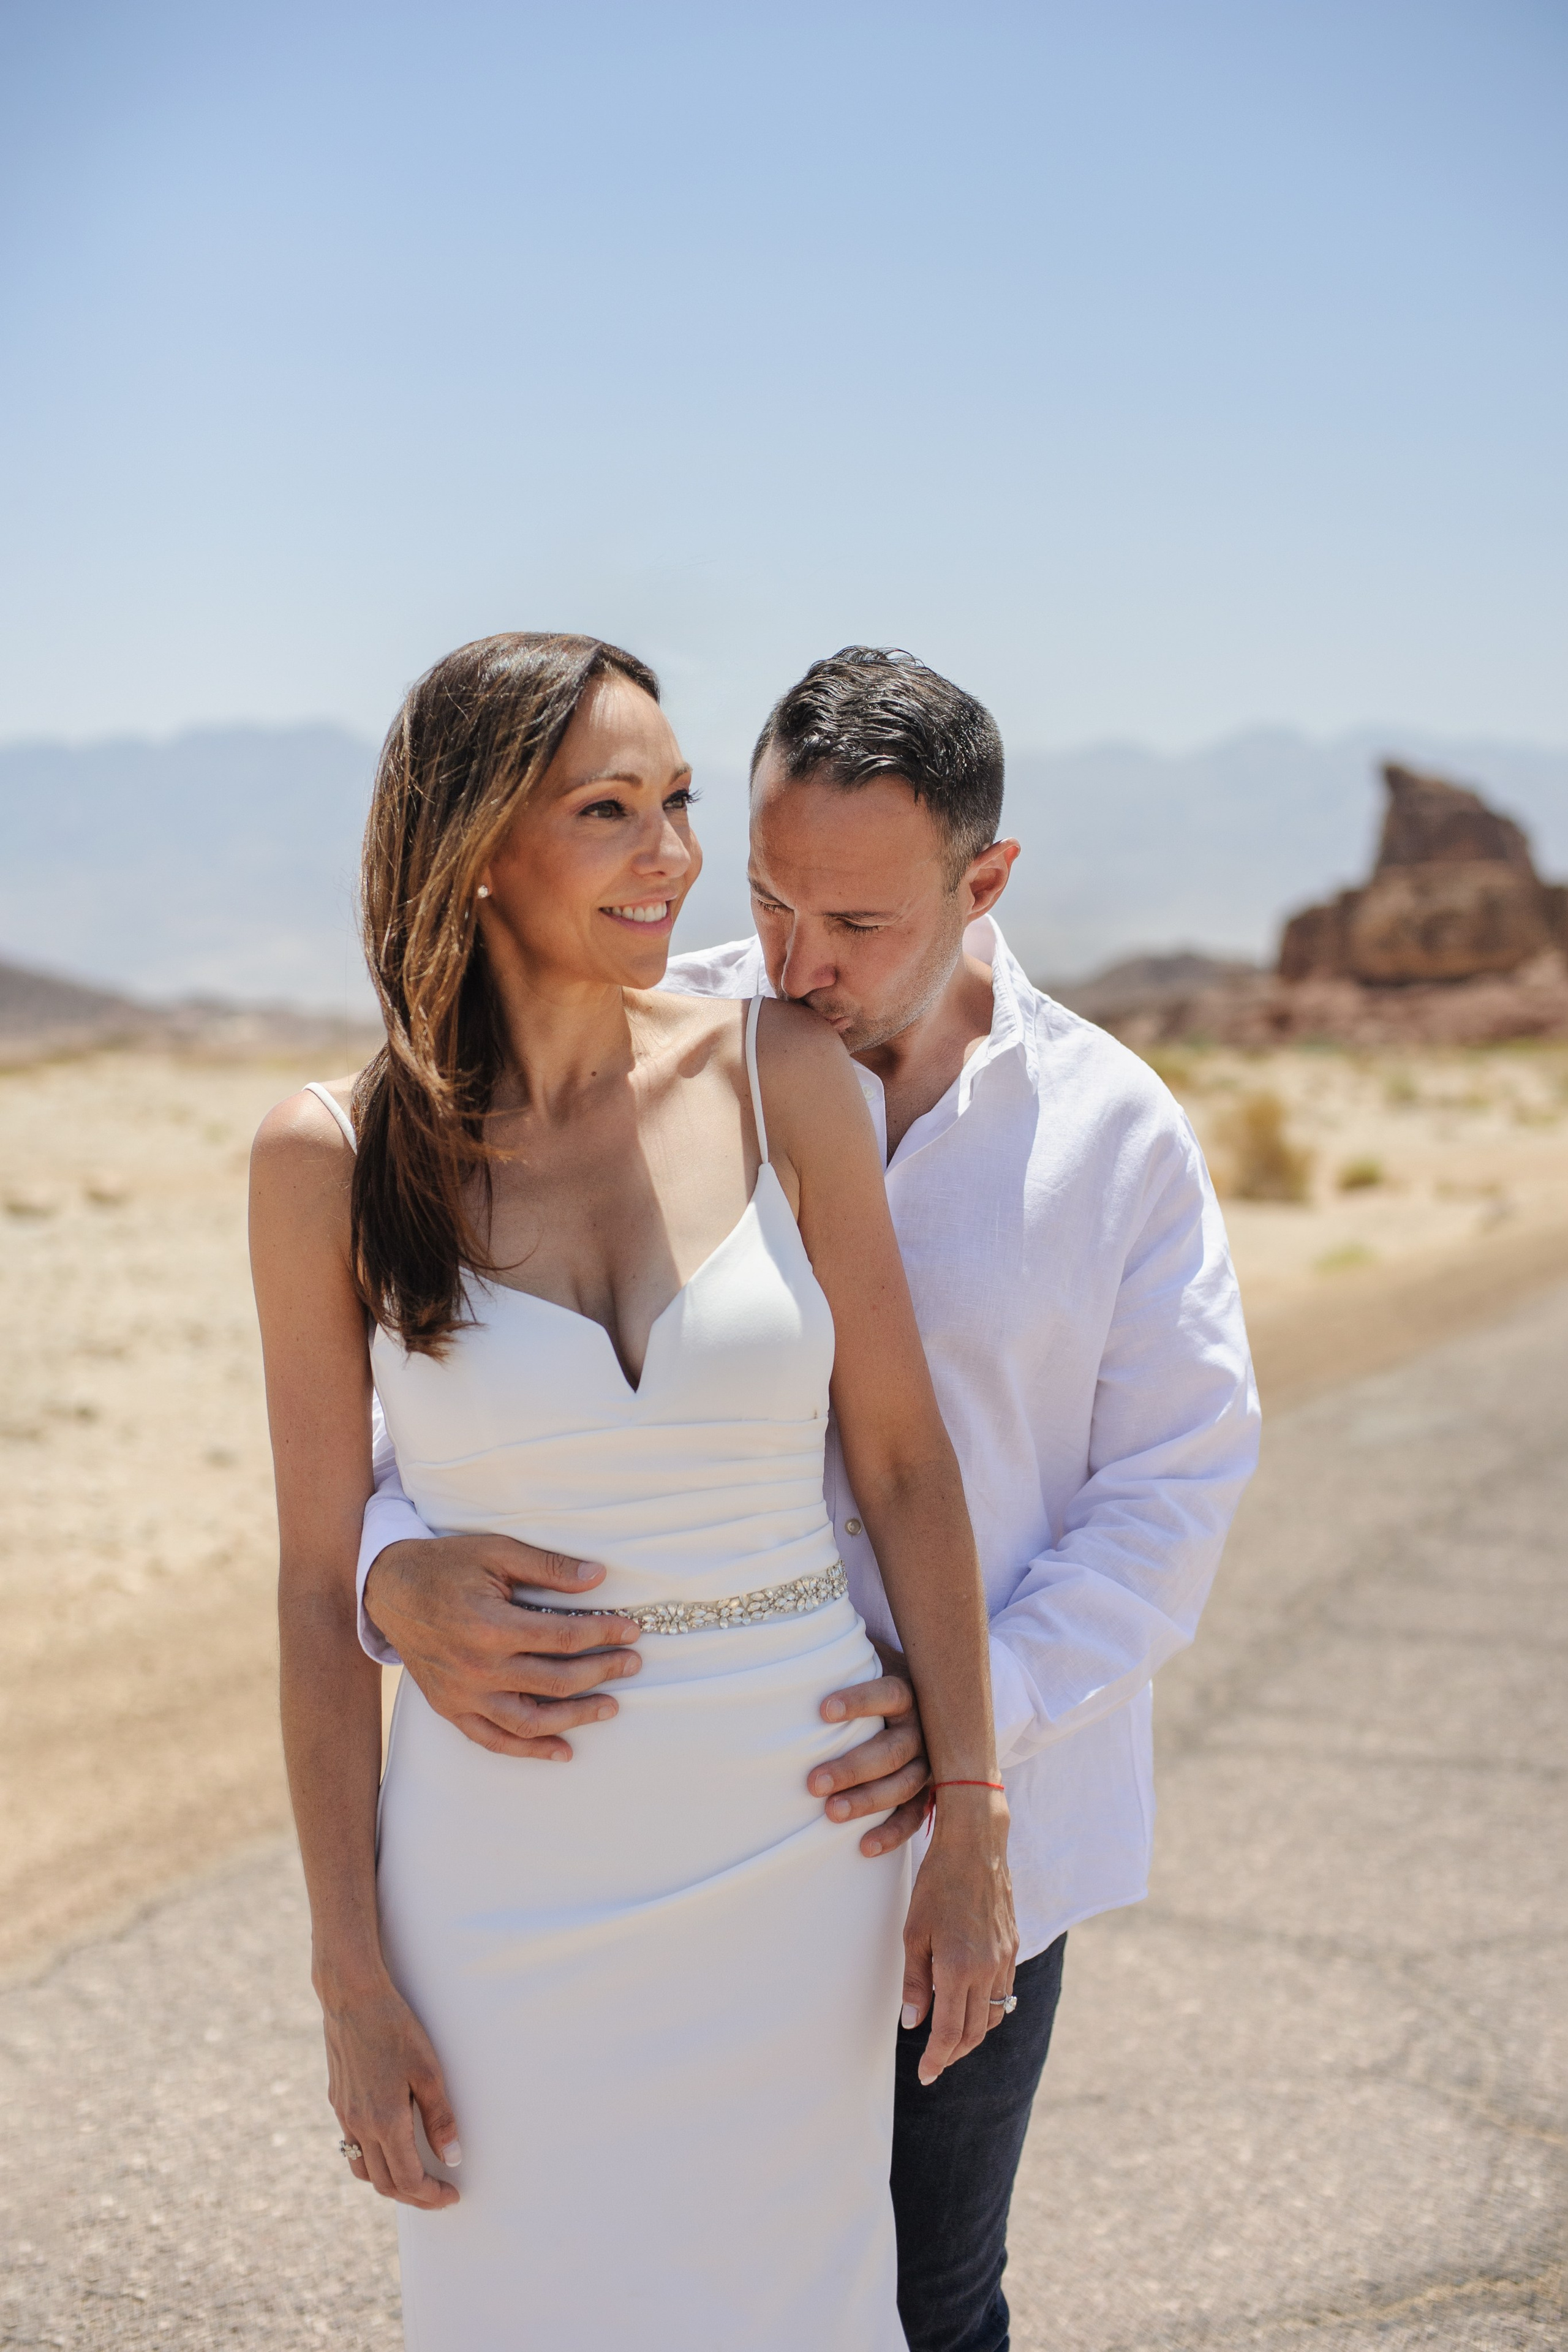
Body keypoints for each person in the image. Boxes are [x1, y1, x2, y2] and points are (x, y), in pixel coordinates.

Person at [358, 644, 1262, 2352]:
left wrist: (973, 1731)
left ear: (983, 883)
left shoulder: (1117, 1136)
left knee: (919, 2298)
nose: (794, 960)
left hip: (970, 1835)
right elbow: (435, 1427)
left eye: (856, 926)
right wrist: (386, 1572)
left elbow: (1175, 1490)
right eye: (770, 897)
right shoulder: (668, 1045)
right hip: (655, 1815)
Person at [248, 633, 1016, 2352]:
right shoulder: (332, 1154)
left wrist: (972, 1813)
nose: (674, 855)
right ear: (473, 847)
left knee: (803, 2304)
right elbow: (315, 1585)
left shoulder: (782, 1077)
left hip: (802, 1838)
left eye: (678, 803)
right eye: (611, 810)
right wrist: (349, 1976)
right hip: (504, 1875)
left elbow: (903, 1462)